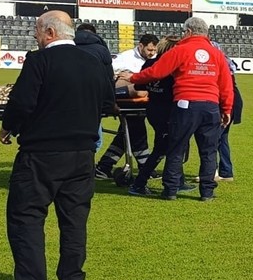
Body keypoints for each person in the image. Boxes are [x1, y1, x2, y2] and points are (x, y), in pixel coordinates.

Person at [0, 10, 114, 280]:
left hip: (41, 153)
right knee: (74, 219)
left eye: (37, 31)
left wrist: (8, 127)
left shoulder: (39, 60)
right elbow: (108, 102)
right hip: (83, 154)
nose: (35, 36)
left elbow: (22, 102)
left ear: (50, 32)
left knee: (26, 217)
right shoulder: (94, 62)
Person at [126, 17, 233, 202]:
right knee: (208, 151)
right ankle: (207, 192)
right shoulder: (216, 54)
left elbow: (156, 72)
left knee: (176, 148)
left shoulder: (181, 50)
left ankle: (171, 190)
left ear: (189, 32)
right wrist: (227, 109)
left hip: (186, 104)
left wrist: (132, 78)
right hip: (211, 106)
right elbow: (226, 84)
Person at [94, 34, 159, 179]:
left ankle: (104, 166)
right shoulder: (125, 57)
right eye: (149, 50)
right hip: (127, 100)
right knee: (136, 131)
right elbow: (110, 74)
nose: (152, 53)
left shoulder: (154, 59)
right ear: (140, 46)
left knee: (127, 134)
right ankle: (145, 167)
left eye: (154, 50)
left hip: (140, 102)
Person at [127, 35, 180, 196]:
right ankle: (139, 183)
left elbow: (139, 86)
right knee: (163, 148)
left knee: (170, 145)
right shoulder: (171, 67)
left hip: (153, 108)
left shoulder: (150, 63)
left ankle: (178, 181)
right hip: (167, 111)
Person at [75, 22, 114, 151]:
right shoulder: (102, 50)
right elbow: (108, 79)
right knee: (94, 141)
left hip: (68, 100)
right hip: (93, 101)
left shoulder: (66, 47)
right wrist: (110, 104)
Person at [212, 39, 242, 182]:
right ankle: (226, 172)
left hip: (225, 103)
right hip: (233, 102)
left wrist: (225, 109)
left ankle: (212, 172)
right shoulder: (226, 62)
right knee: (222, 138)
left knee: (213, 138)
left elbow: (224, 89)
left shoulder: (218, 64)